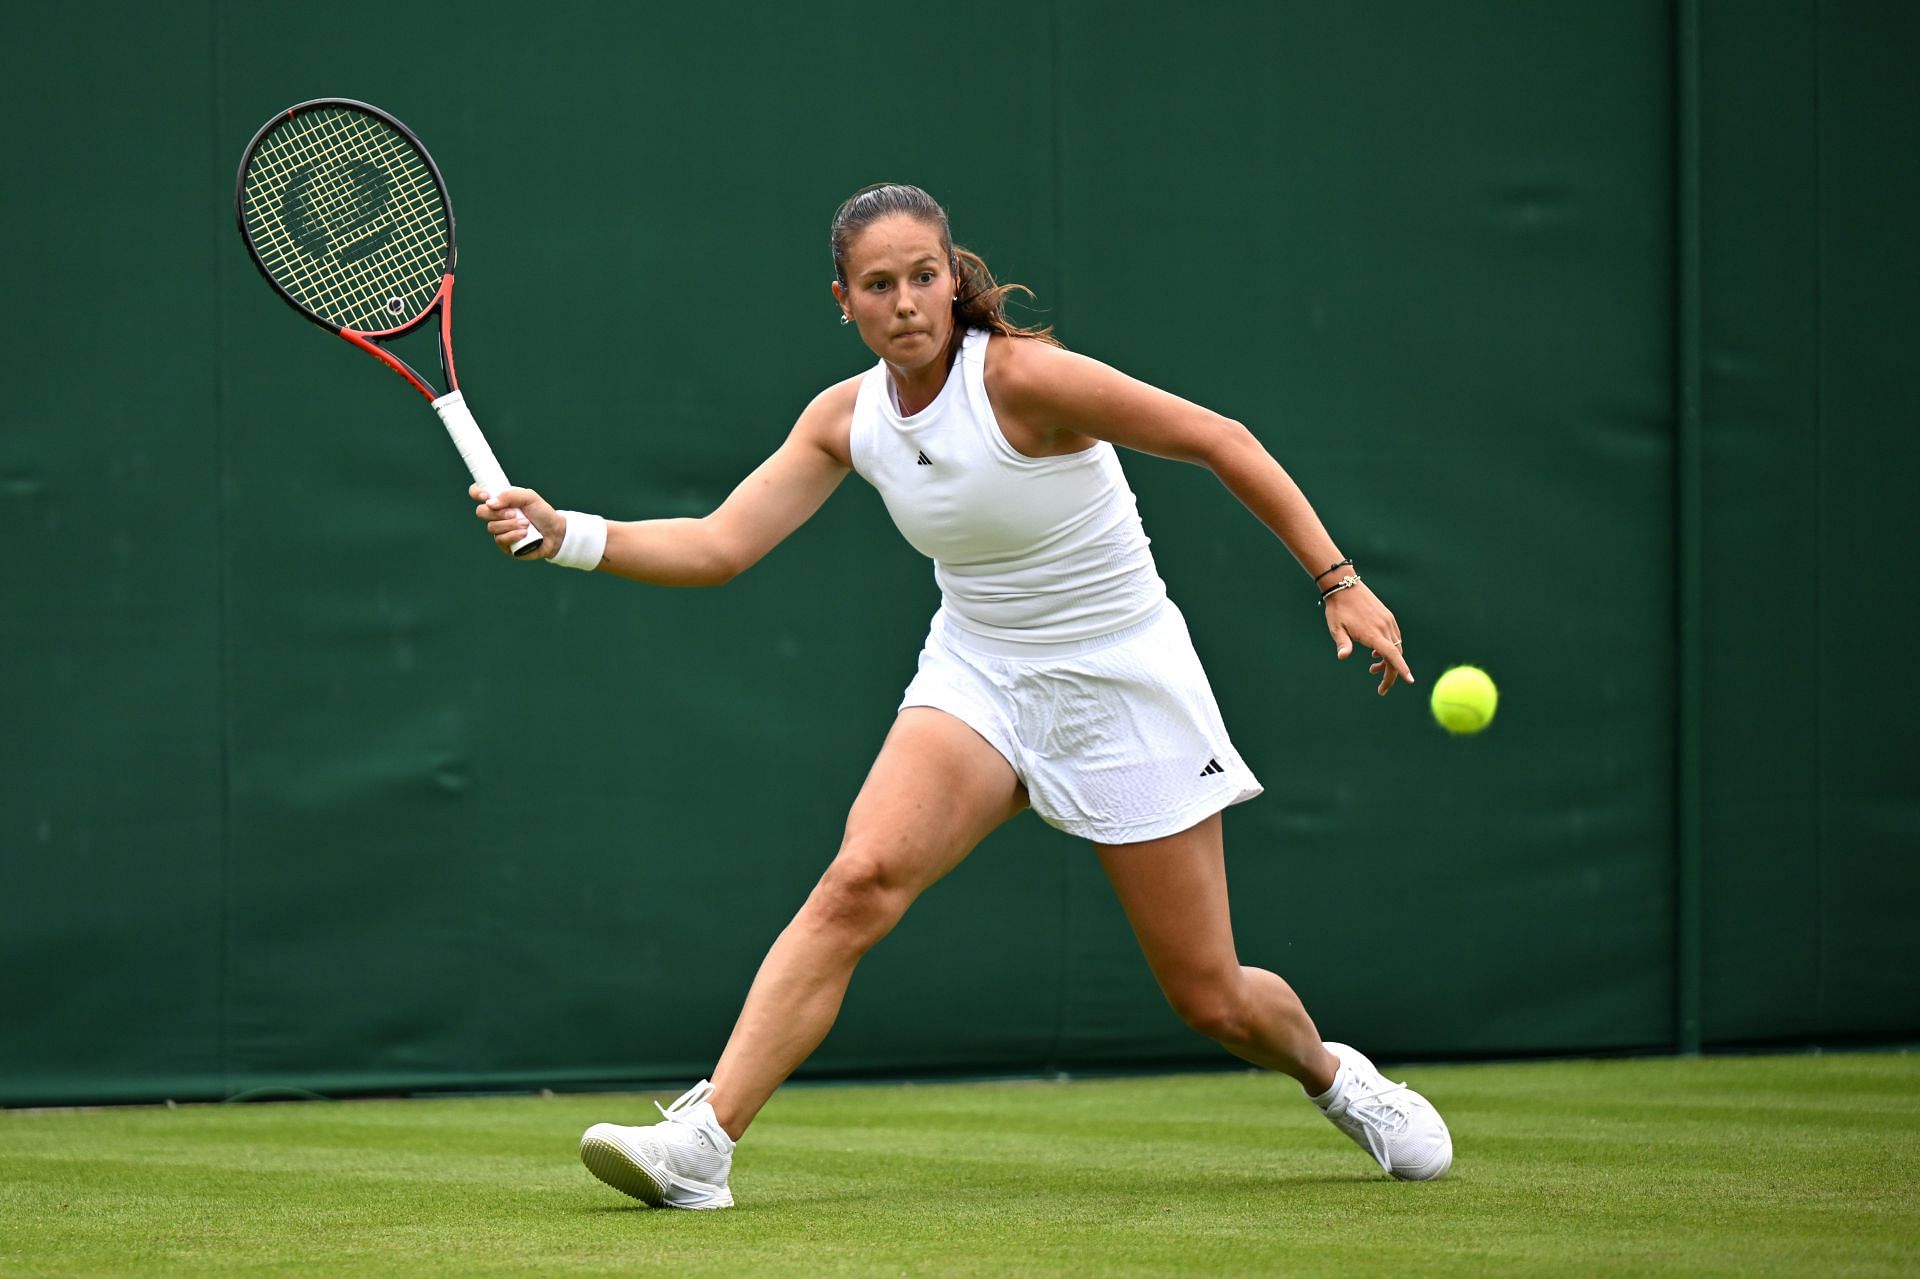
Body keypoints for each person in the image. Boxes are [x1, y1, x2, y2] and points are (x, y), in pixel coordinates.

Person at [472, 183, 1451, 1210]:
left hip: (1122, 679)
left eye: (924, 277)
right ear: (842, 299)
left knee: (1210, 995)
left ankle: (1339, 1079)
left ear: (955, 279)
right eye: (879, 284)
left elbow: (1222, 438)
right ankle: (703, 1143)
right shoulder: (845, 419)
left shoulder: (1027, 381)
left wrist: (1339, 581)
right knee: (860, 880)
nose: (905, 302)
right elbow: (720, 545)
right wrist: (569, 533)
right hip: (979, 670)